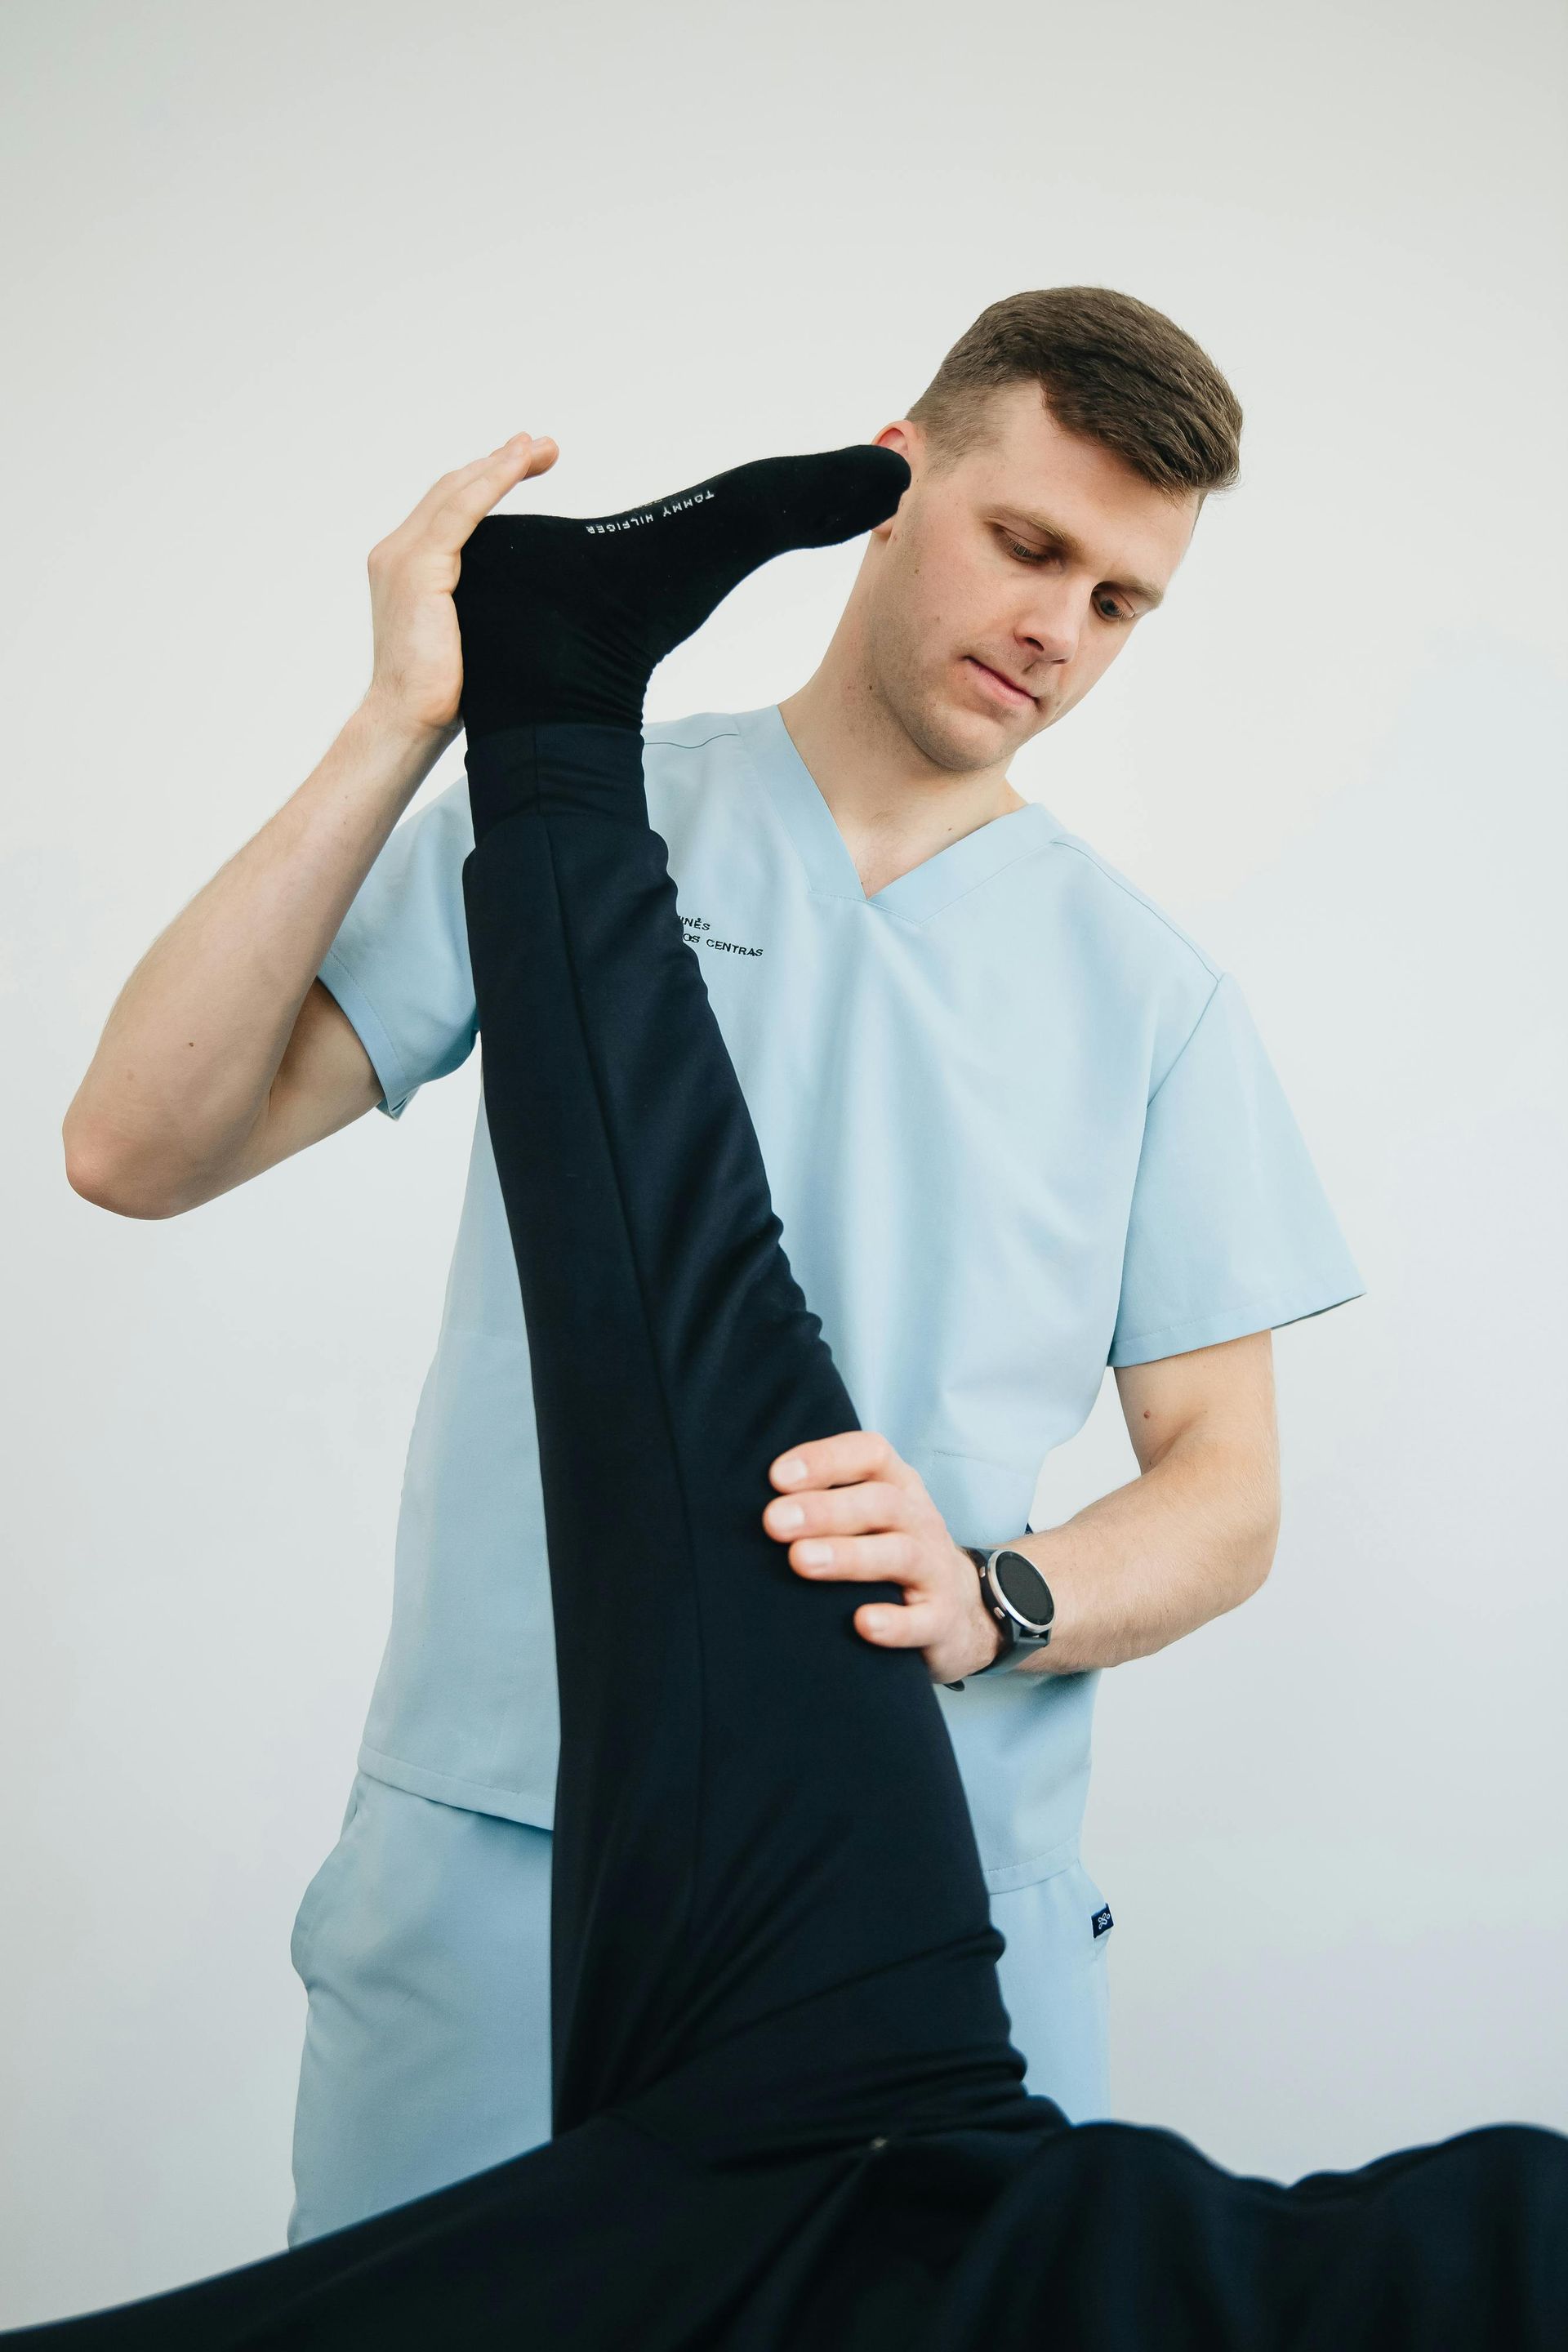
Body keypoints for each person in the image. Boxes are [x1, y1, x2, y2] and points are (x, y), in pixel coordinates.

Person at [19, 441, 1567, 2350]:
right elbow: (135, 1145)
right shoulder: (583, 822)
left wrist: (1000, 1598)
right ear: (888, 491)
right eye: (1028, 546)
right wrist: (407, 719)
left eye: (1118, 601)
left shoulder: (1146, 995)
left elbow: (1226, 1492)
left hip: (930, 1910)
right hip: (504, 1857)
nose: (1059, 631)